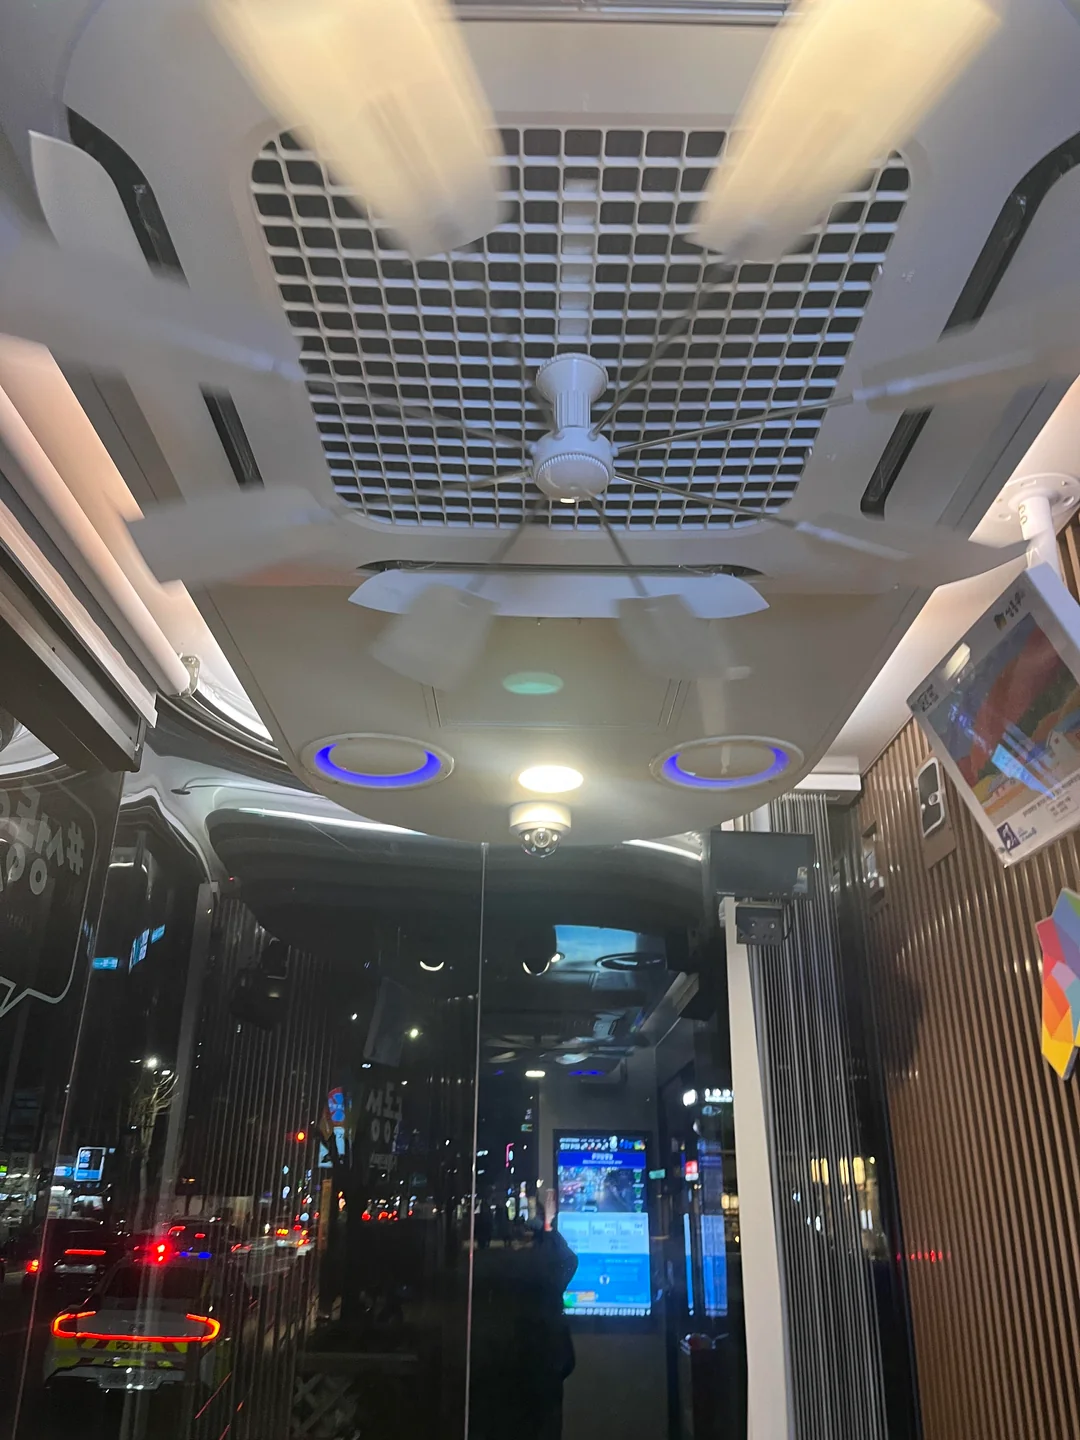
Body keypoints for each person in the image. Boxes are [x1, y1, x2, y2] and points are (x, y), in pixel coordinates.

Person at [468, 1207, 577, 1440]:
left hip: (517, 1379)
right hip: (544, 1376)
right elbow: (568, 1259)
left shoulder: (504, 1272)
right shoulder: (544, 1277)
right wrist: (547, 1230)